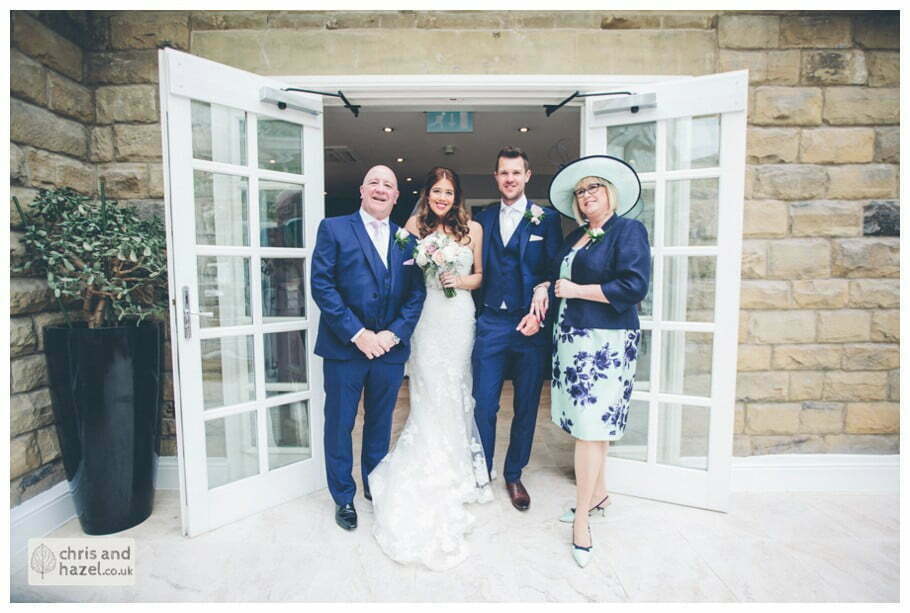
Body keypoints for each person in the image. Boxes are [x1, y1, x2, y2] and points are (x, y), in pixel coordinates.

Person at [369, 167, 492, 571]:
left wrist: (459, 279)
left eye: (448, 192)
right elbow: (403, 277)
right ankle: (427, 456)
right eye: (436, 191)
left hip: (458, 317)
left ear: (457, 197)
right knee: (427, 387)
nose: (442, 197)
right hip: (426, 318)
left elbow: (479, 277)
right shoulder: (412, 227)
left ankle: (457, 463)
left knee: (455, 386)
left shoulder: (473, 228)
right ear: (427, 194)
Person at [531, 155, 650, 567]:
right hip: (571, 340)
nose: (586, 196)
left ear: (610, 193)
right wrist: (544, 288)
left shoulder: (628, 231)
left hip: (605, 344)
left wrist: (577, 291)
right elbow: (557, 277)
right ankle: (599, 495)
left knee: (589, 429)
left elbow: (633, 286)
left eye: (593, 188)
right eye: (580, 191)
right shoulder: (577, 237)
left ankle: (581, 518)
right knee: (591, 429)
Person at [310, 165, 426, 532]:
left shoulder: (407, 241)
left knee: (380, 422)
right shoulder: (334, 229)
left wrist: (392, 335)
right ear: (362, 191)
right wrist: (358, 334)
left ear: (396, 196)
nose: (380, 188)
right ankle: (343, 495)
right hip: (344, 348)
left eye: (388, 185)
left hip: (388, 352)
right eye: (373, 182)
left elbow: (416, 295)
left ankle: (375, 484)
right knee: (340, 424)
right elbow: (322, 285)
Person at [472, 146, 562, 511]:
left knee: (526, 405)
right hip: (491, 321)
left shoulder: (547, 219)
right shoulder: (482, 219)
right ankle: (481, 472)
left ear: (527, 176)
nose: (510, 178)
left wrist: (543, 296)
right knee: (483, 404)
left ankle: (513, 474)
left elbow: (557, 271)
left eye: (516, 172)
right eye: (504, 173)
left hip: (531, 326)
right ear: (496, 177)